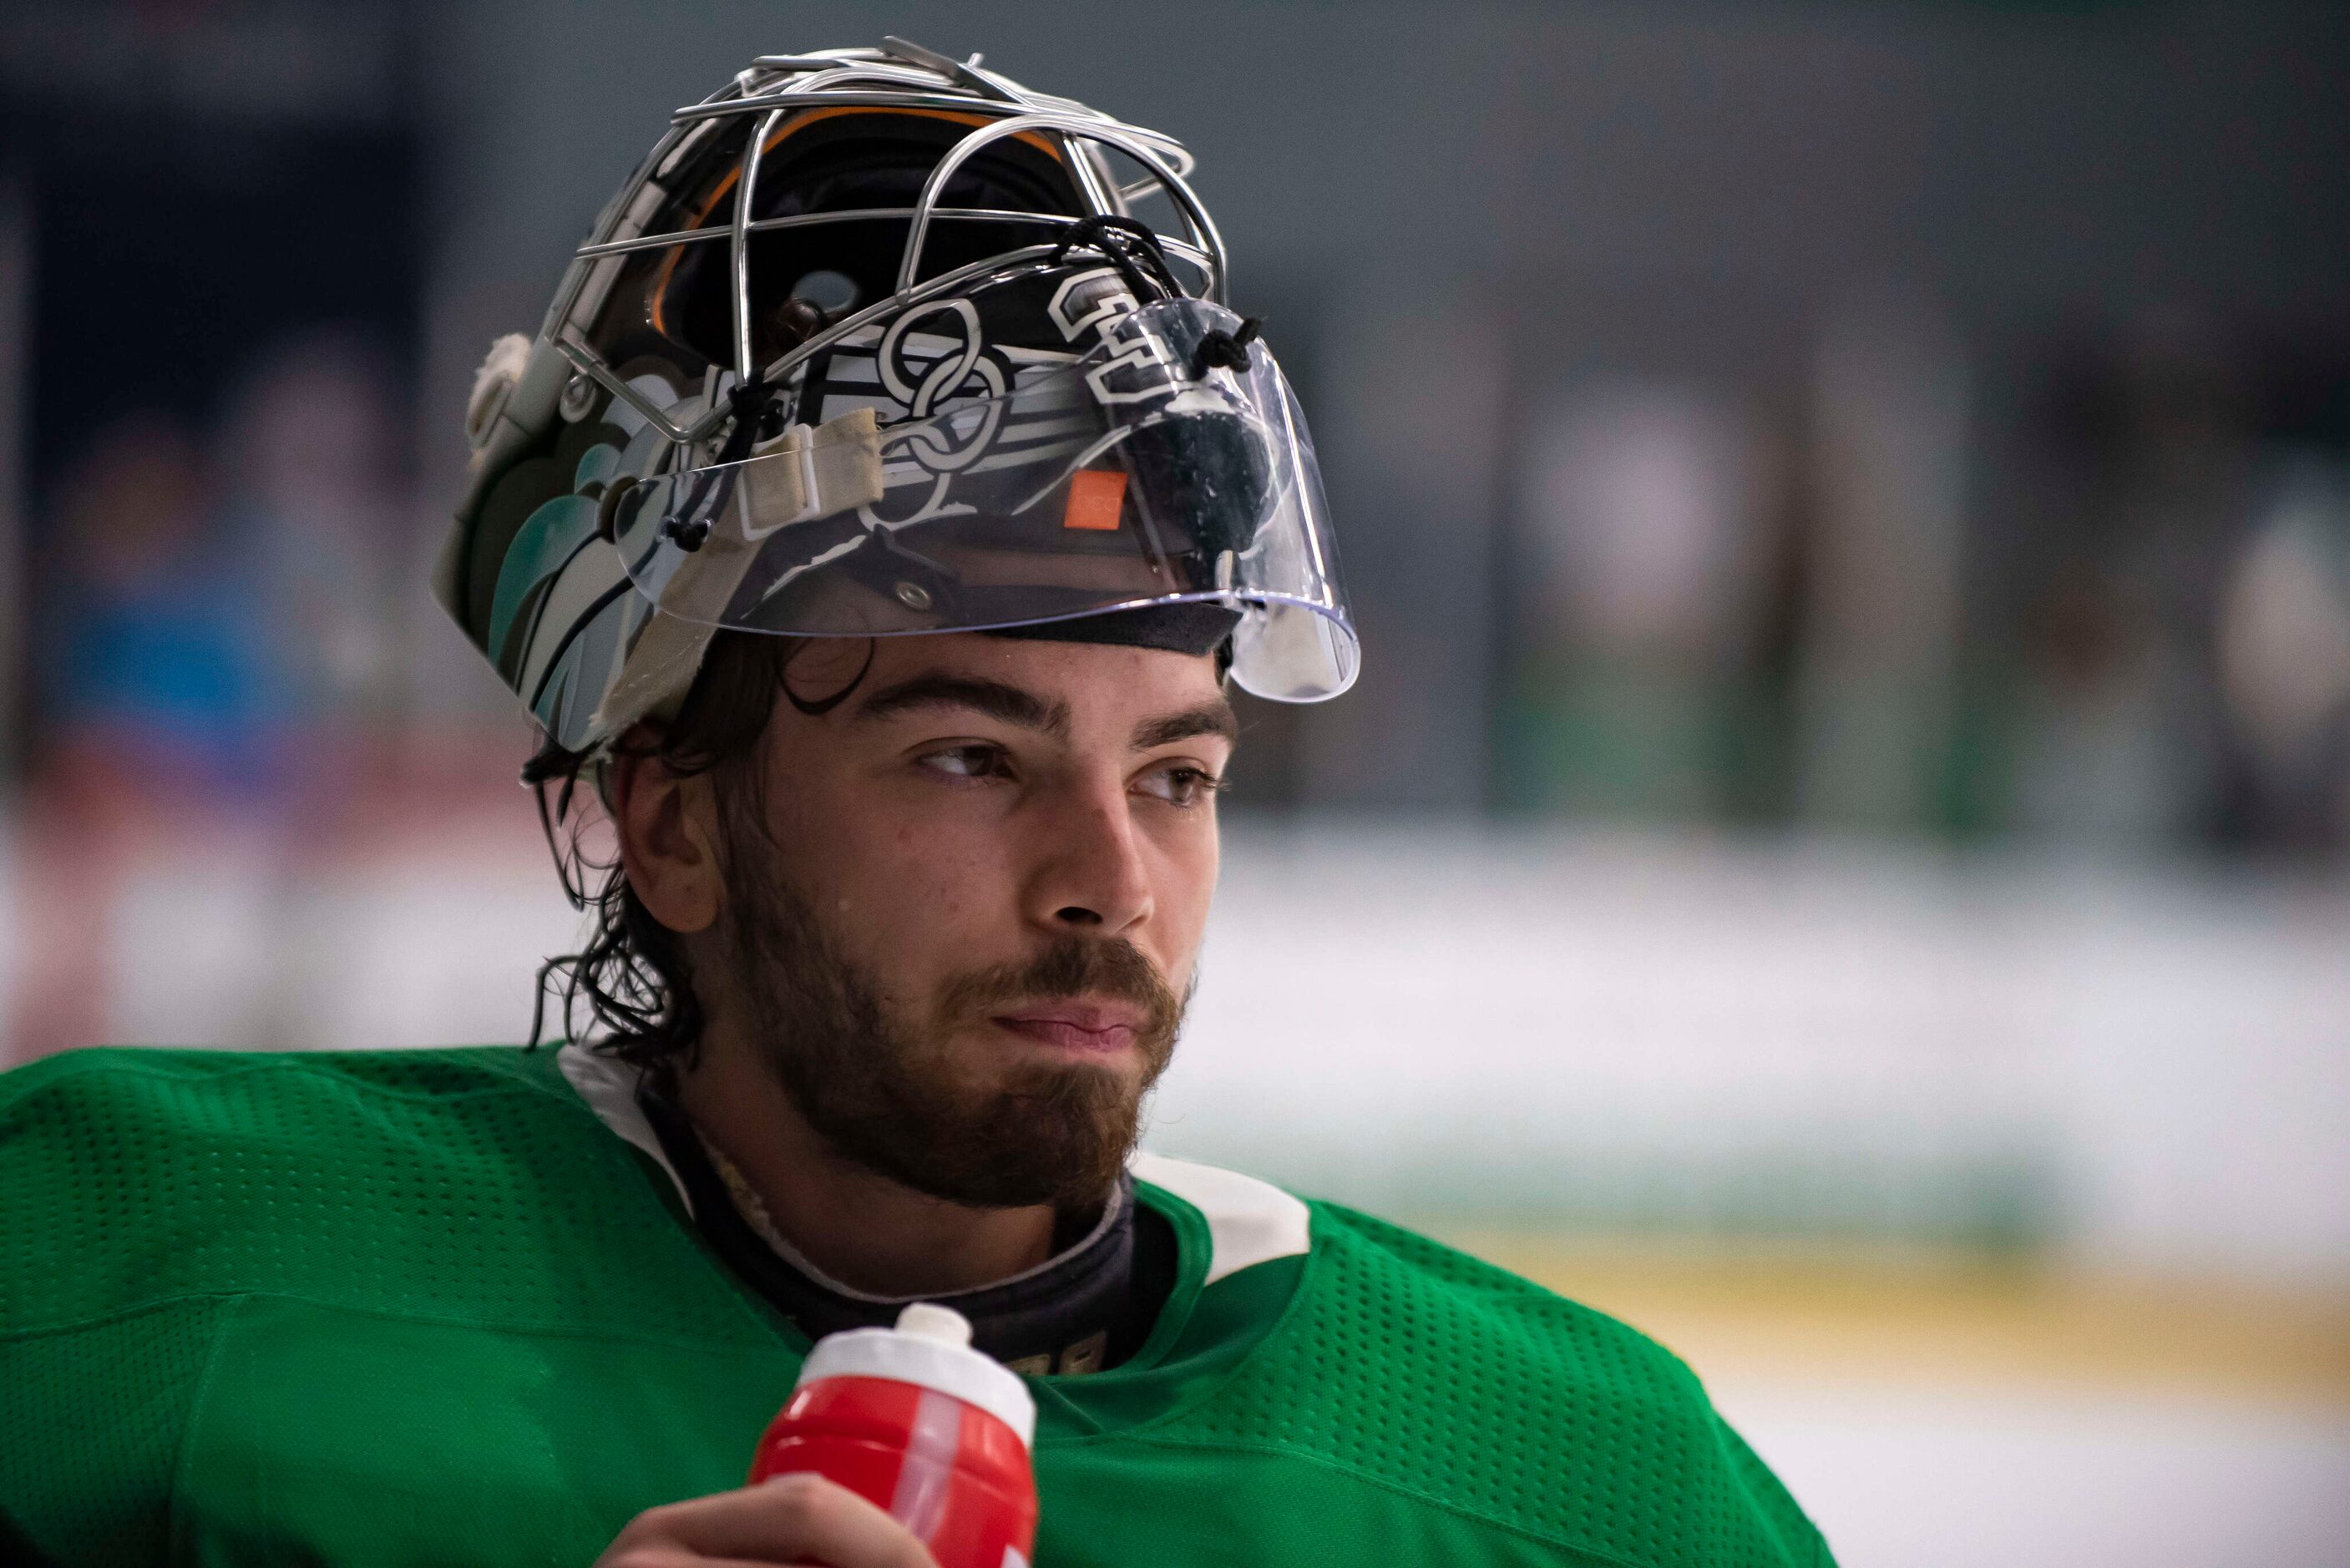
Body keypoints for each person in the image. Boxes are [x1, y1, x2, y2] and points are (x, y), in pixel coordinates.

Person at [0, 41, 1831, 1567]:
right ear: (675, 823)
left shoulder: (1596, 1488)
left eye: (1178, 775)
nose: (1109, 882)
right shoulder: (124, 1263)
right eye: (974, 758)